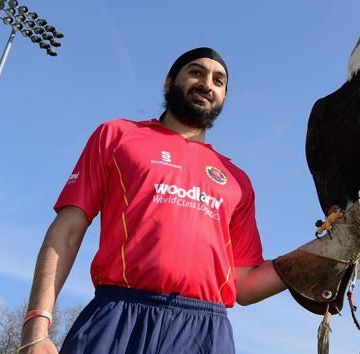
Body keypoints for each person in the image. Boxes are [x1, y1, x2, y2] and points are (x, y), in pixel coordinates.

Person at [18, 47, 288, 354]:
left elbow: (246, 285)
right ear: (169, 82)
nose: (207, 84)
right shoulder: (118, 135)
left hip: (204, 331)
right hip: (119, 314)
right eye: (196, 72)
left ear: (224, 97)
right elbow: (67, 232)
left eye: (218, 80)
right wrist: (35, 326)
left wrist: (327, 250)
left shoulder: (237, 179)